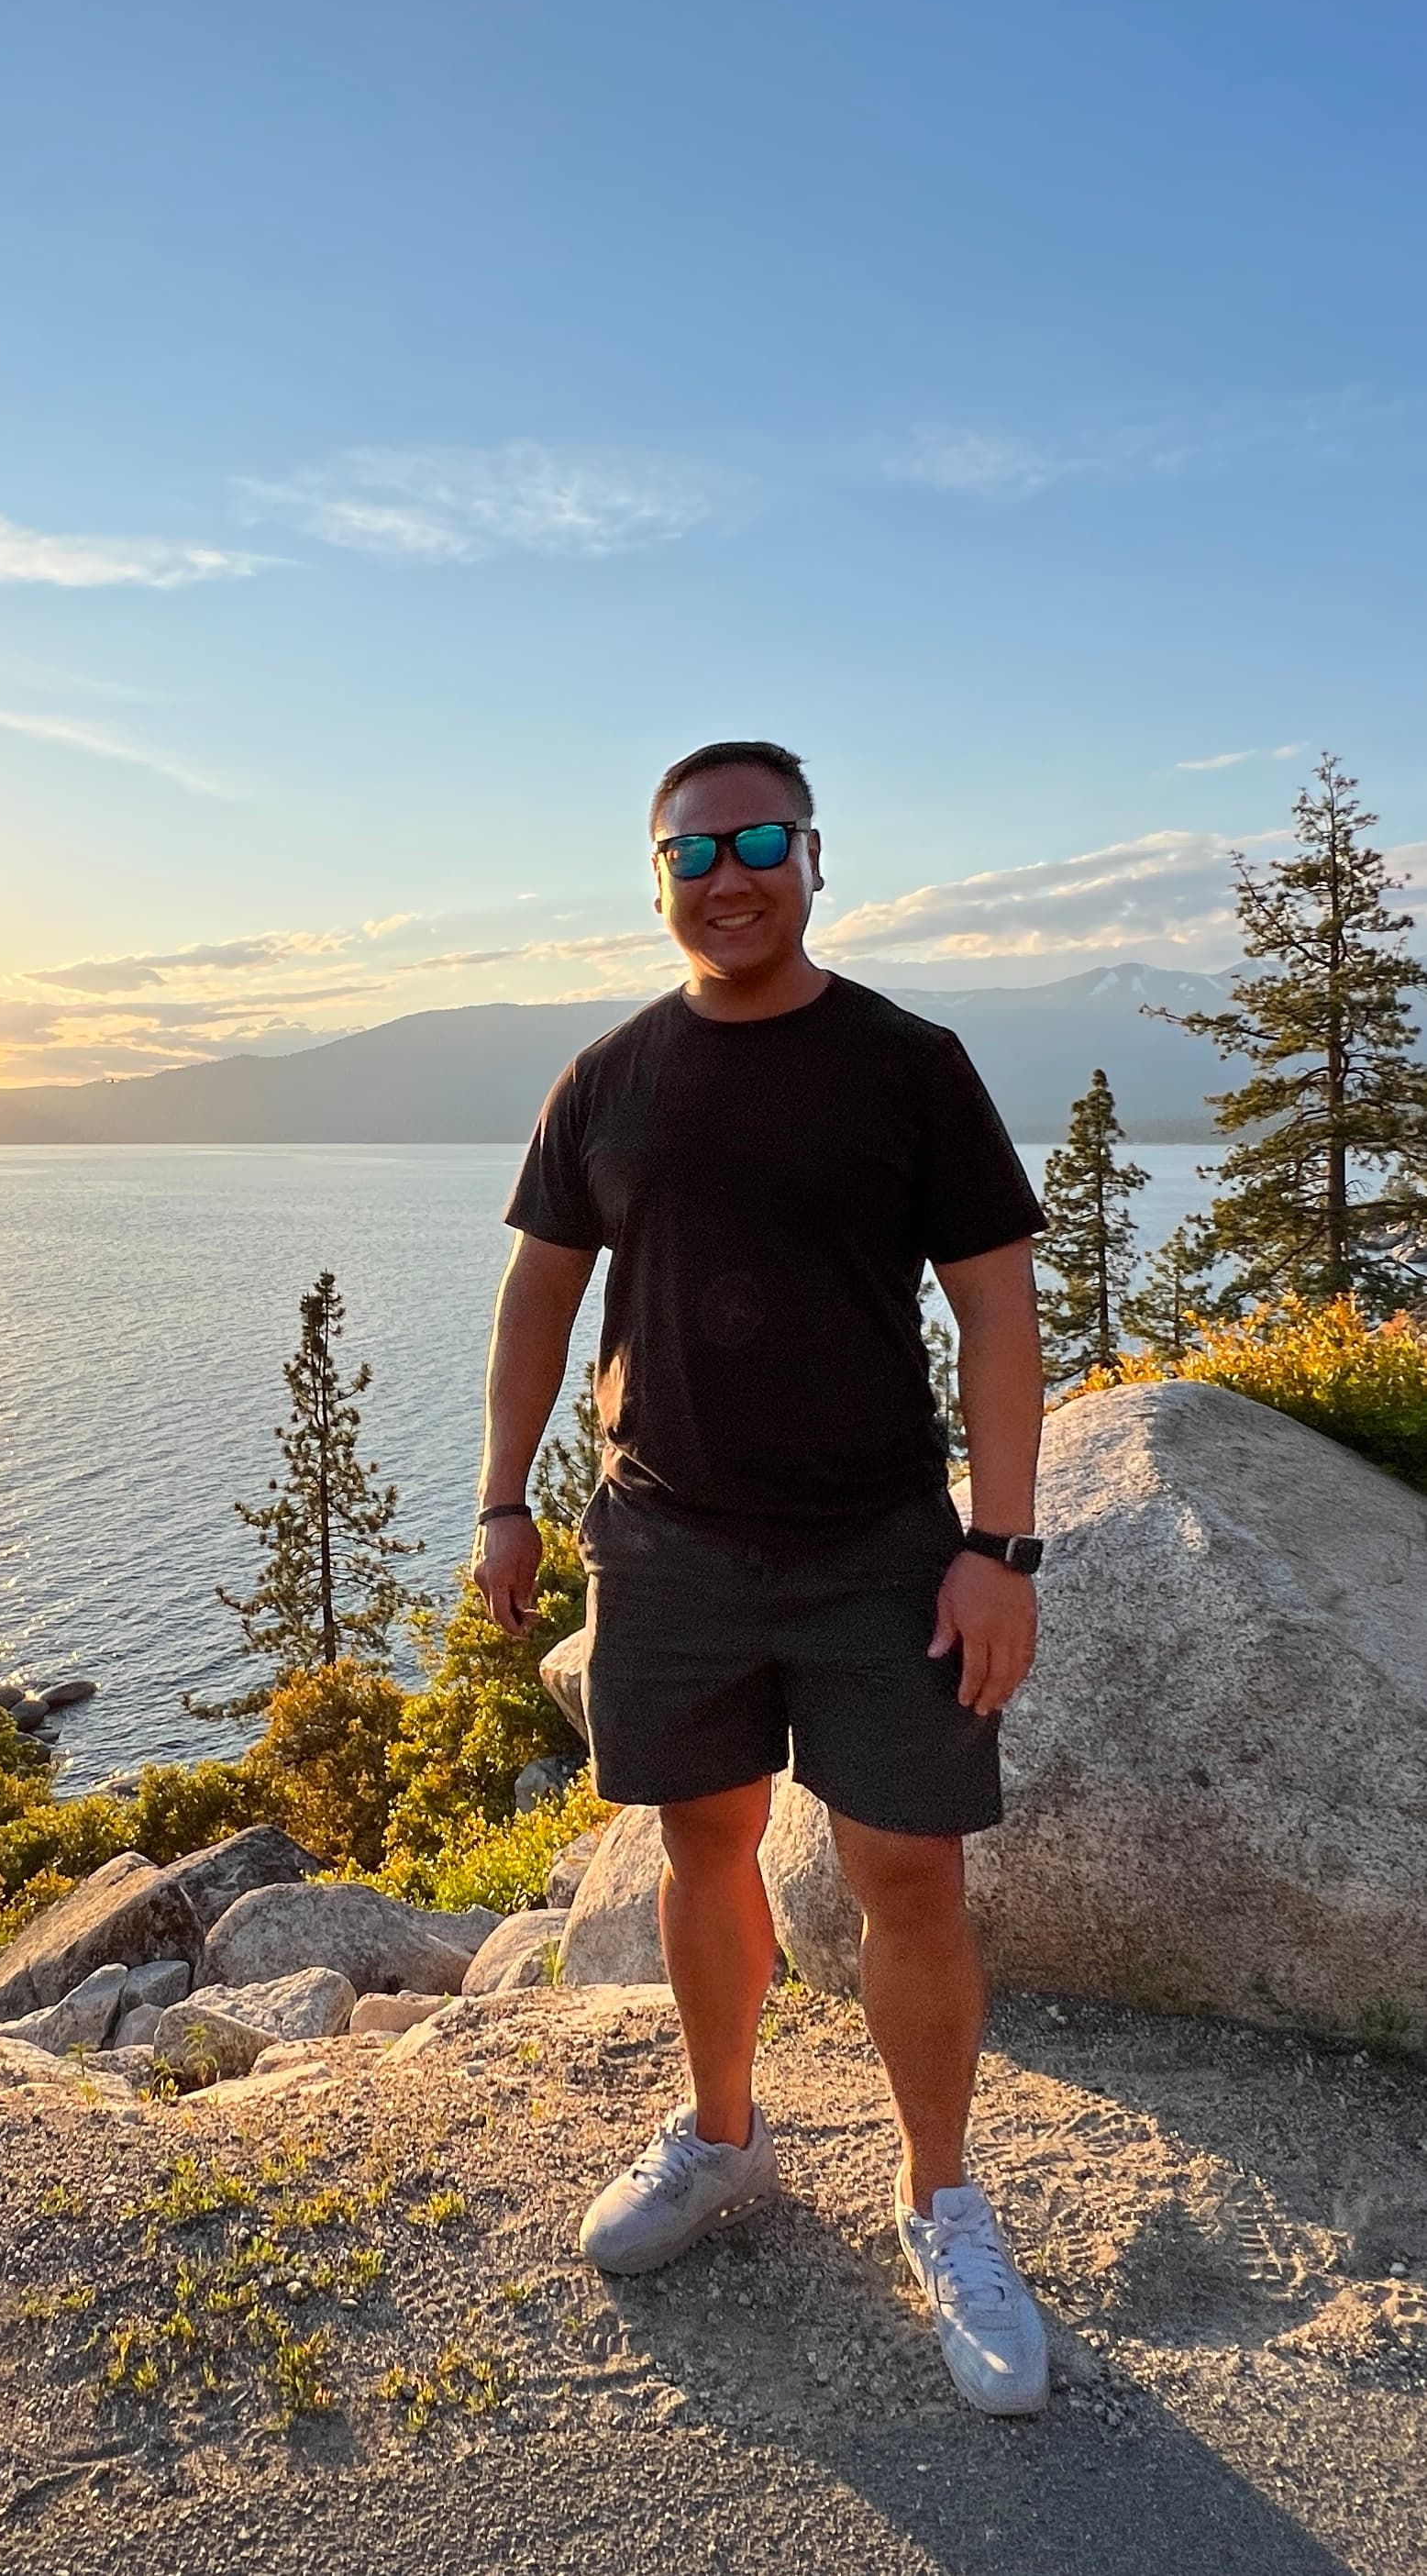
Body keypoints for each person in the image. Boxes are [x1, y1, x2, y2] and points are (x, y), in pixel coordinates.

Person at [472, 738, 1052, 2419]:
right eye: (692, 851)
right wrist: (506, 1503)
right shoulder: (608, 1080)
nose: (726, 876)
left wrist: (1000, 1549)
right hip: (667, 1541)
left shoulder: (907, 1065)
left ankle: (942, 2202)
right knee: (700, 1841)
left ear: (812, 856)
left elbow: (996, 1309)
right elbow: (538, 1303)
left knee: (909, 1868)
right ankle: (724, 2136)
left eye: (758, 842)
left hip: (880, 1544)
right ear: (655, 877)